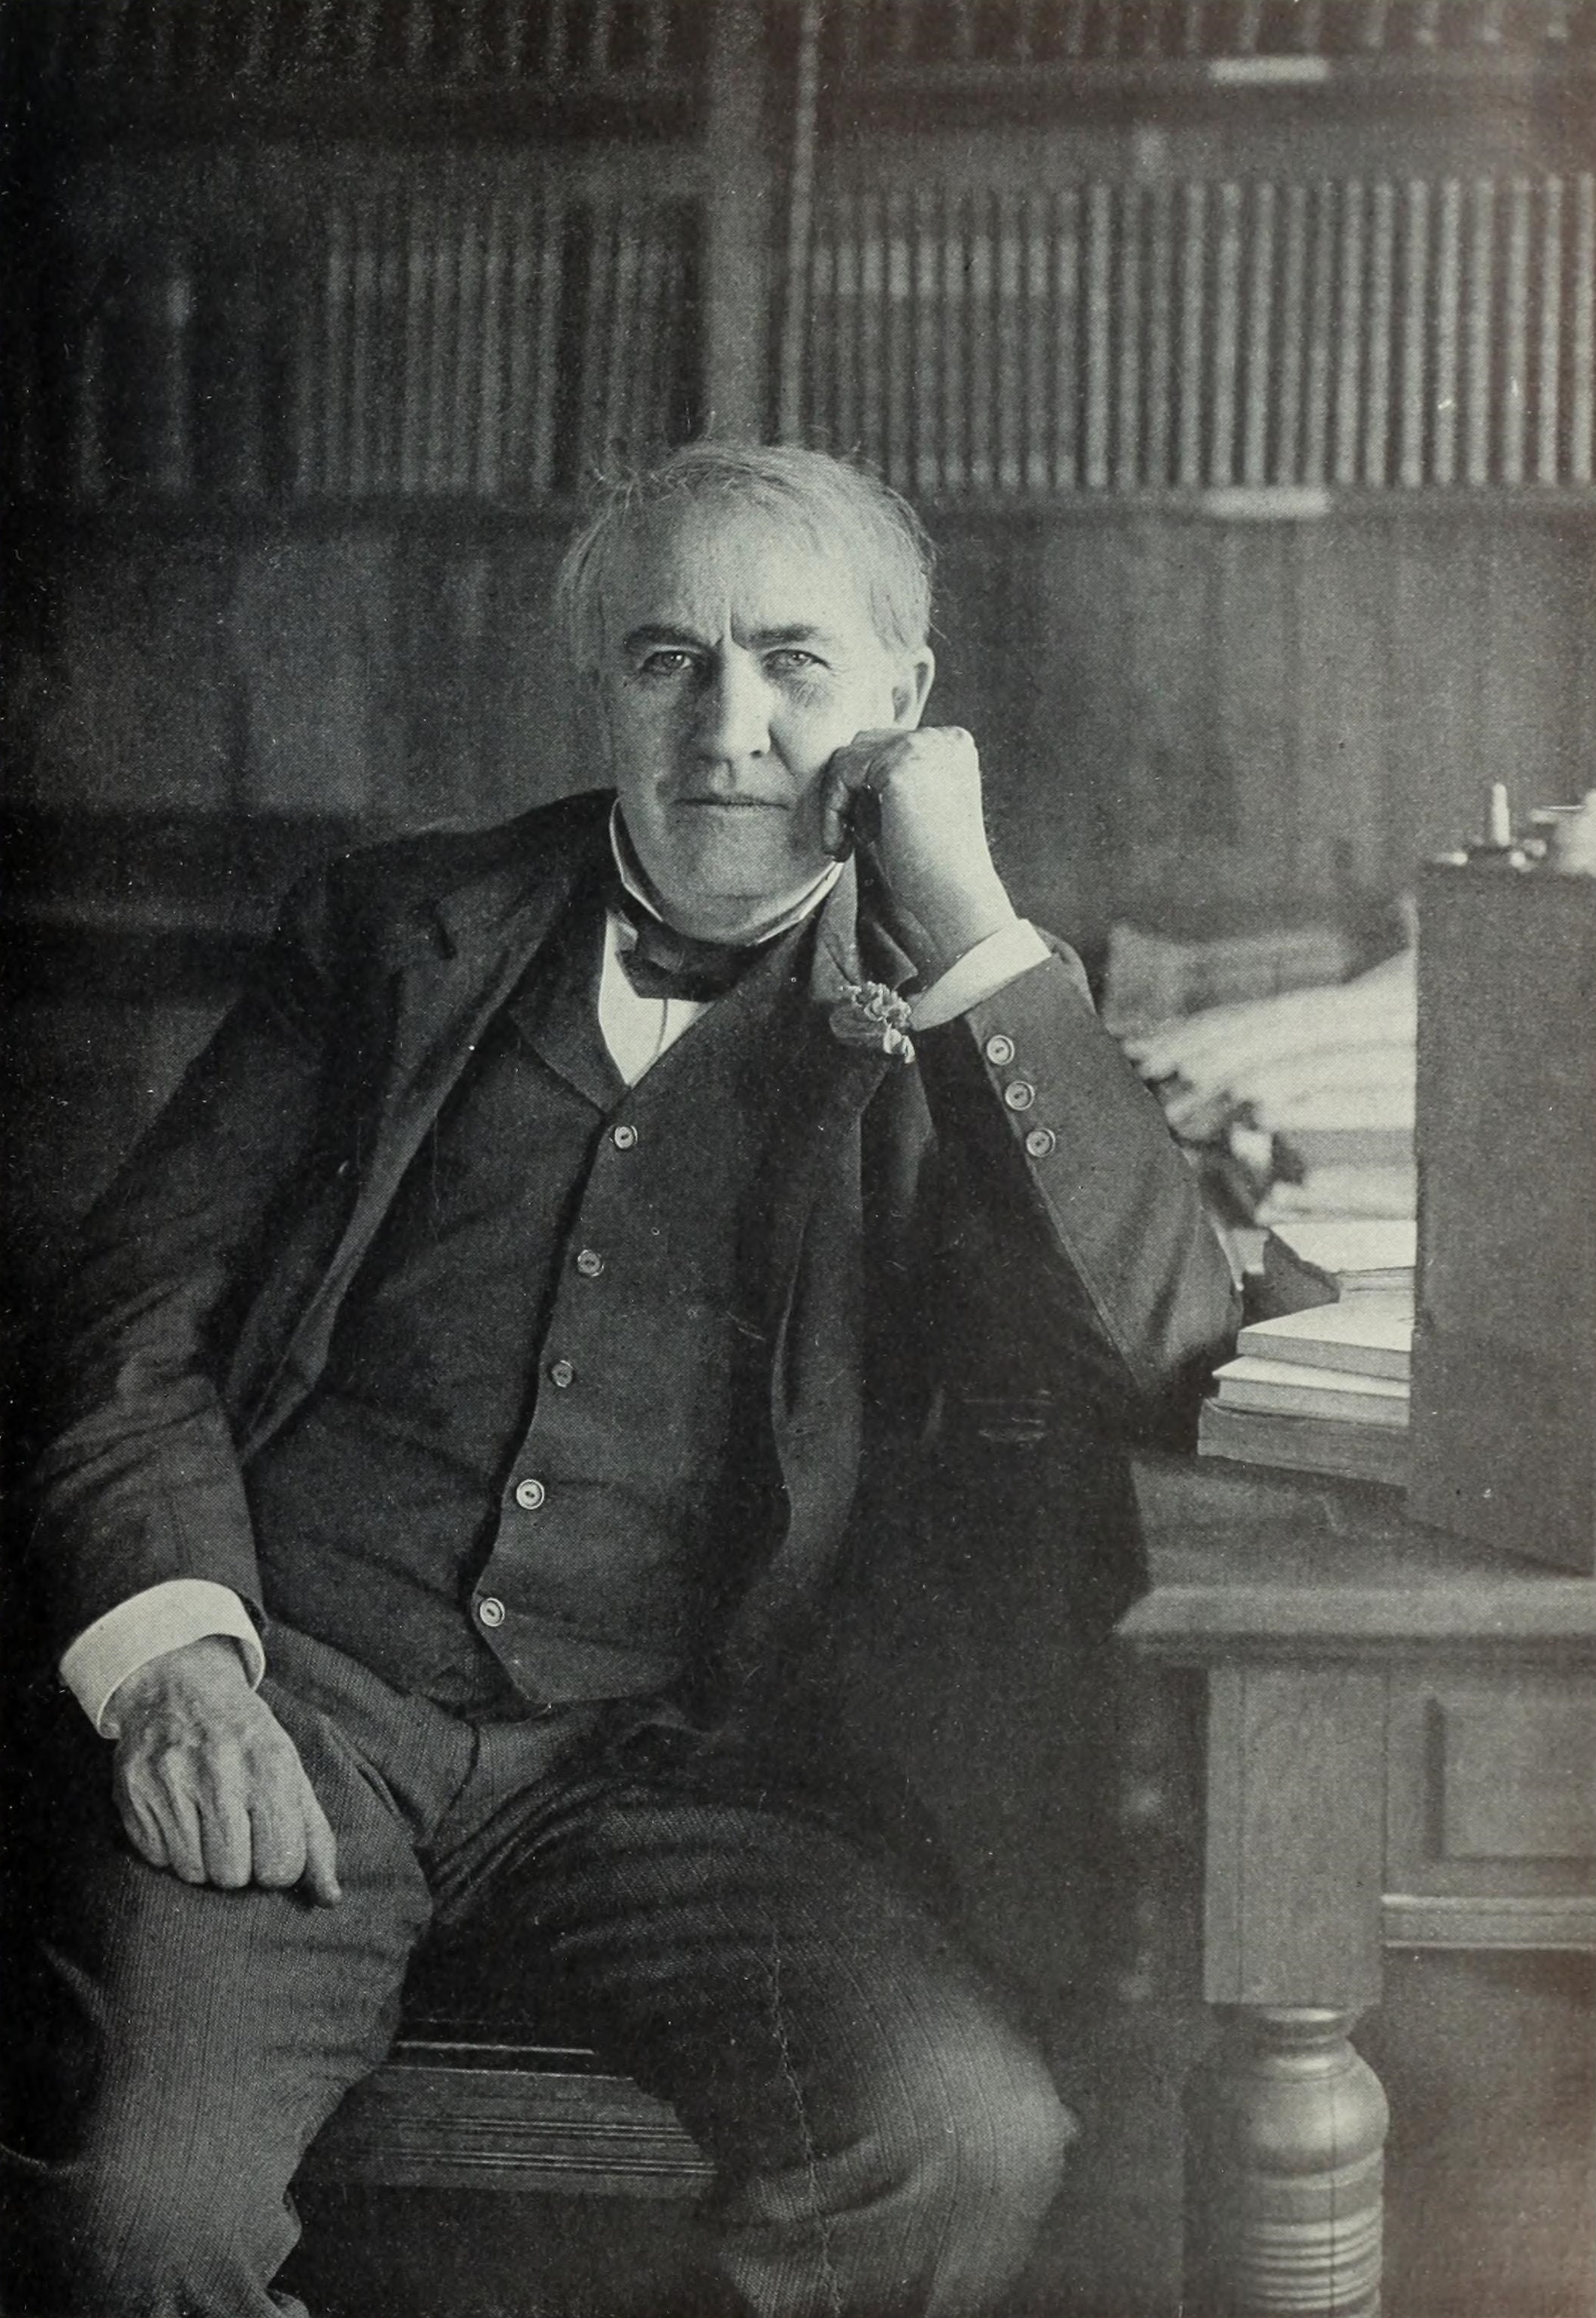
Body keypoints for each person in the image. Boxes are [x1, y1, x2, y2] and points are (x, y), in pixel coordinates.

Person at [9, 443, 1236, 2318]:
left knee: (961, 2142)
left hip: (684, 1776)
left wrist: (972, 920)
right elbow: (126, 1322)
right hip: (300, 1712)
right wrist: (180, 1664)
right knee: (137, 2213)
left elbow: (1162, 1346)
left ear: (905, 701)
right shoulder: (392, 934)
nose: (728, 728)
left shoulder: (962, 1022)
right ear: (603, 685)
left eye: (795, 663)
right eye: (669, 660)